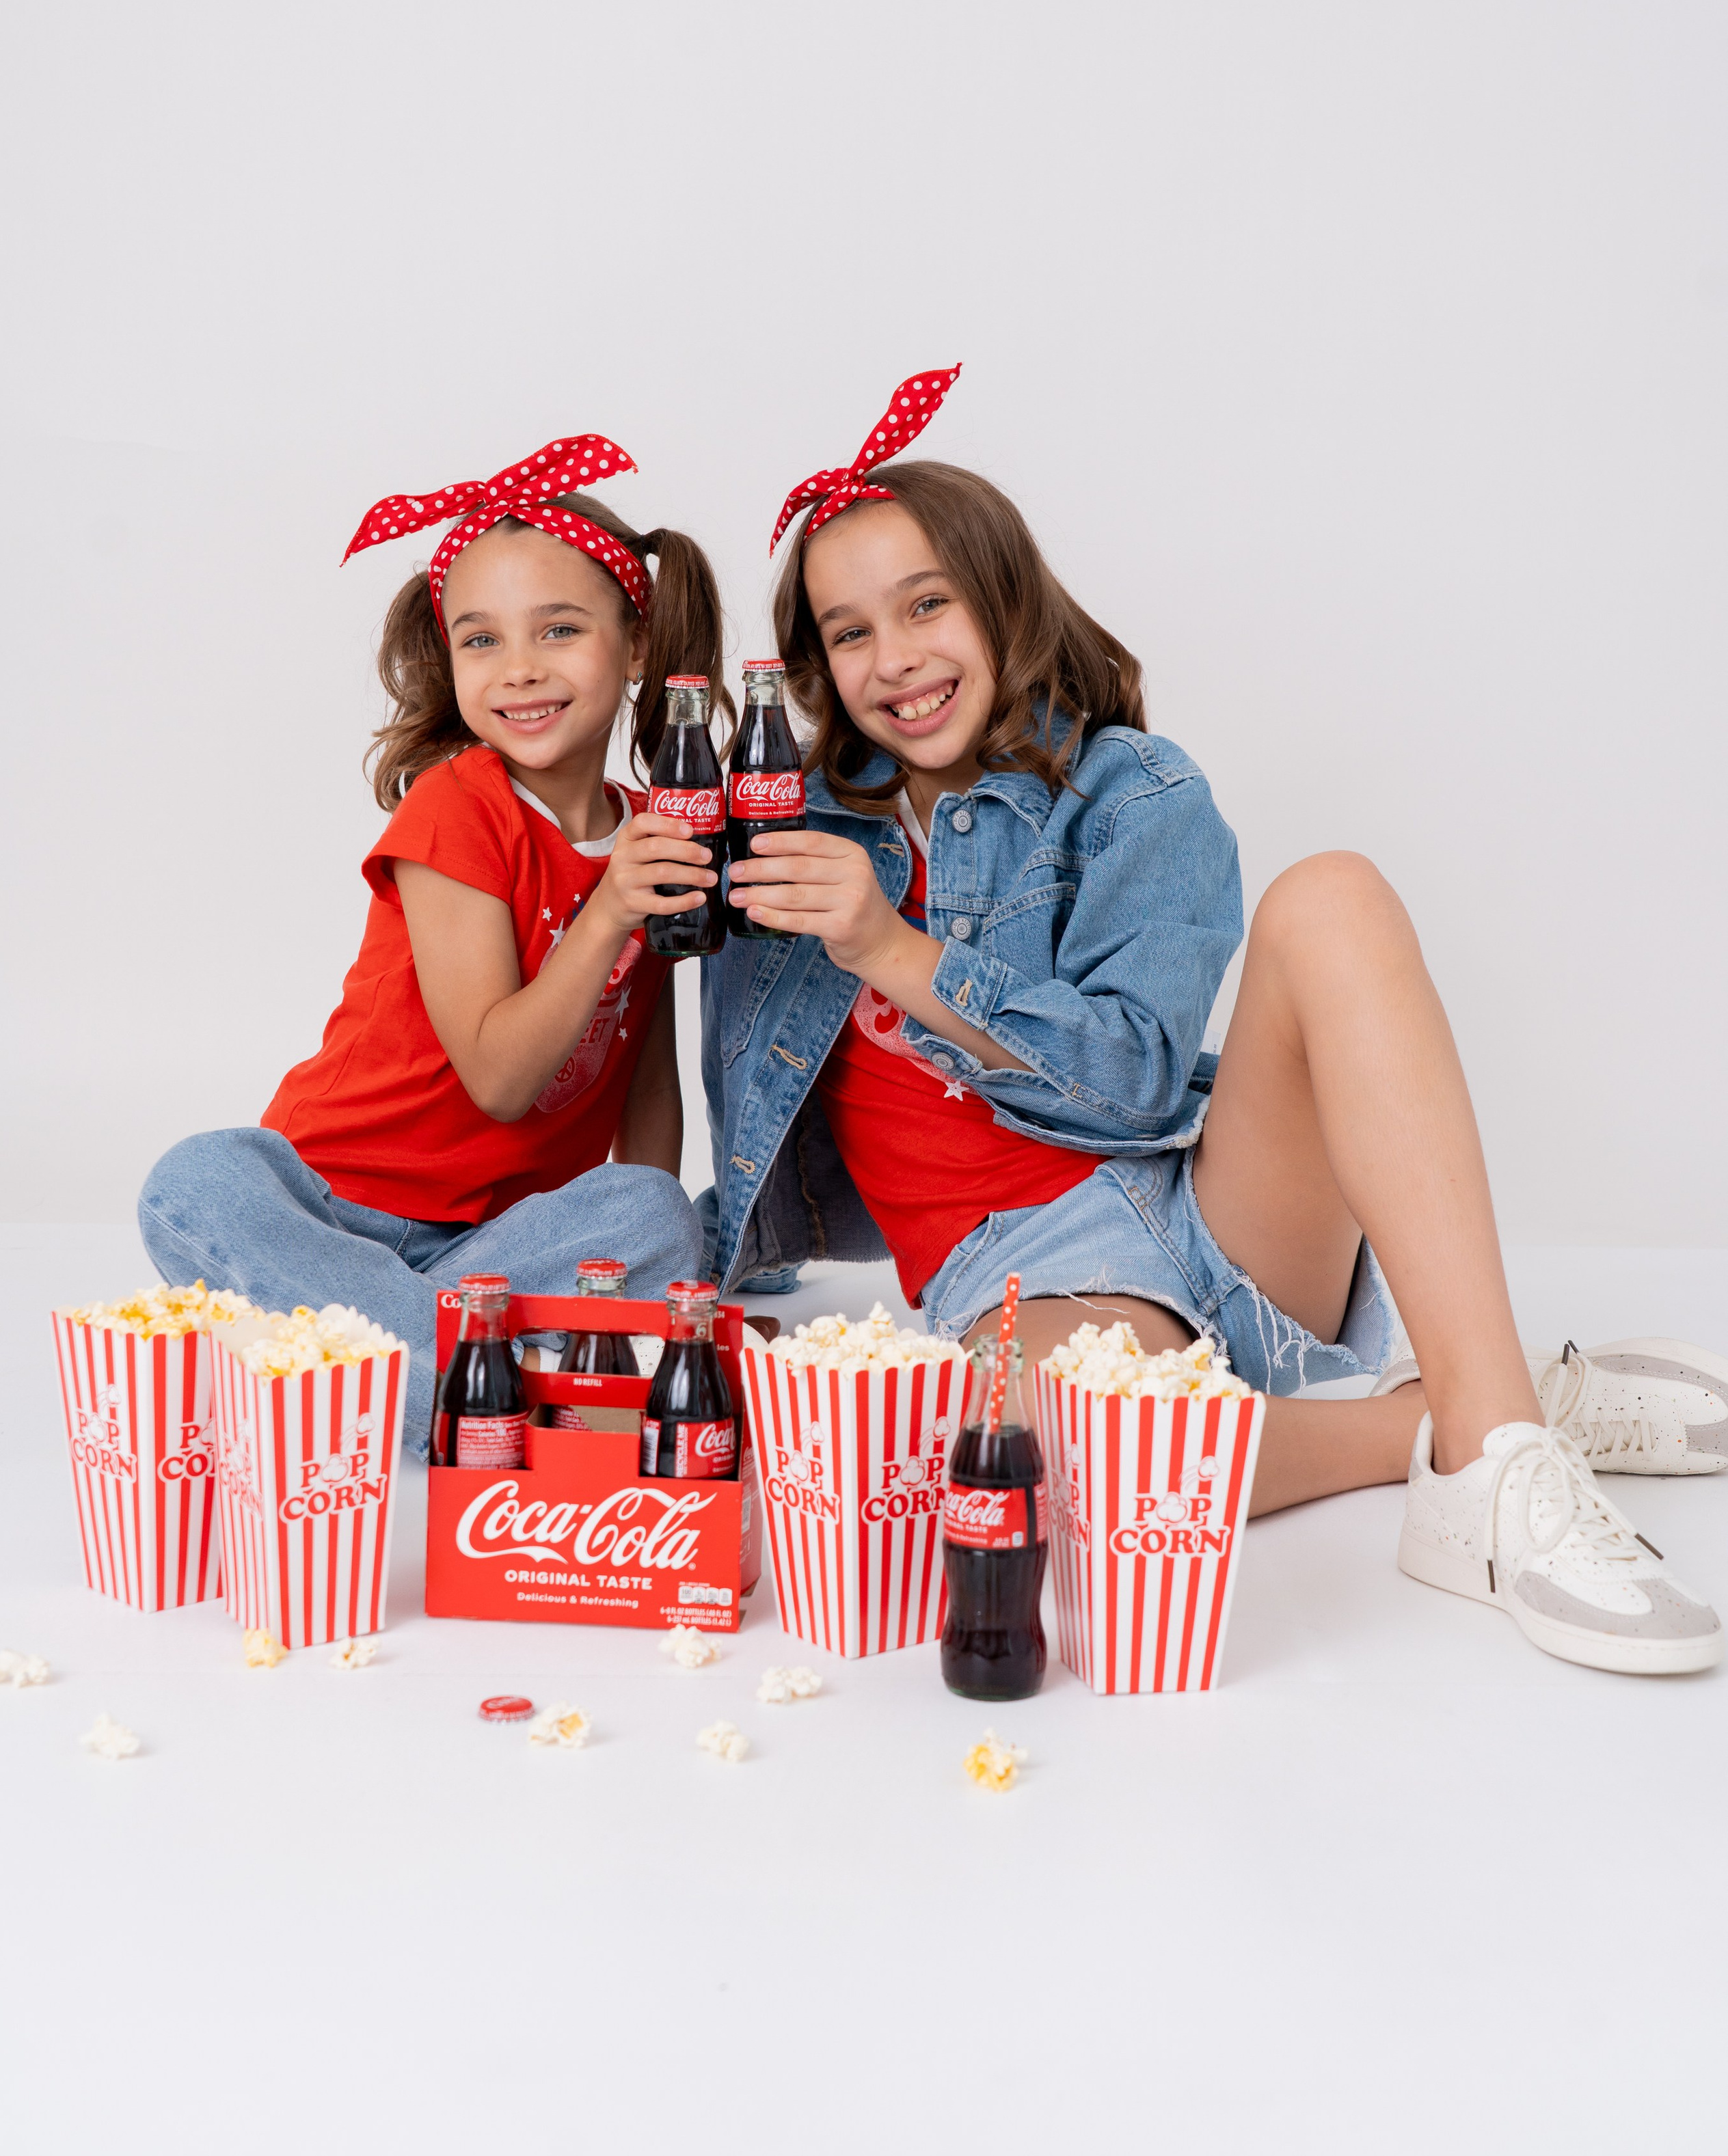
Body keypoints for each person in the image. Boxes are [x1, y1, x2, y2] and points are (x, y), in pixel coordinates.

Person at [701, 369, 1728, 1676]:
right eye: (848, 633)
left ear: (1003, 602)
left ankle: (1492, 1468)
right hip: (1029, 1288)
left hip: (1203, 1207)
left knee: (1333, 896)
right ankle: (1479, 1406)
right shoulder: (783, 842)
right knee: (1023, 1465)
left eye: (925, 605)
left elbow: (1133, 1079)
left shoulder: (1132, 794)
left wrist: (898, 953)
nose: (893, 659)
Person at [140, 432, 723, 1443]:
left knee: (662, 1214)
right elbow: (499, 1077)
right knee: (198, 1179)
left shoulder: (649, 831)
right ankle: (484, 1396)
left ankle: (356, 1359)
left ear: (635, 646)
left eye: (559, 630)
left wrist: (645, 1284)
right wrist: (612, 910)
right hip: (328, 1205)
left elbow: (648, 1077)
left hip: (496, 1244)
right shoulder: (458, 807)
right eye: (480, 639)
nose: (520, 670)